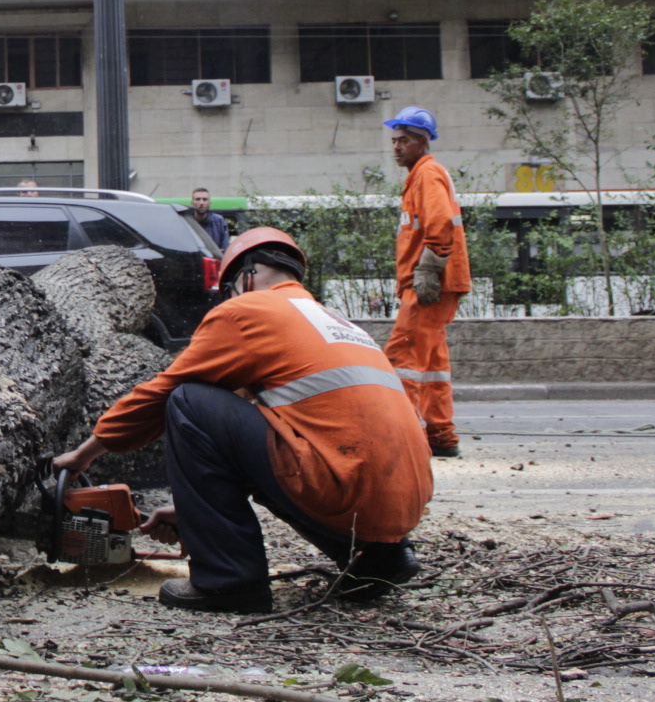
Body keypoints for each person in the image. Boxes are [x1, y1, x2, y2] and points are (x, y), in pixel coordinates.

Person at [52, 227, 432, 614]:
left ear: (246, 277)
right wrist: (194, 512)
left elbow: (164, 392)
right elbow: (270, 438)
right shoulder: (338, 323)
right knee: (284, 432)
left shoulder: (246, 310)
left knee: (189, 402)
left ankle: (228, 580)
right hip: (403, 502)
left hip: (342, 484)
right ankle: (382, 558)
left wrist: (87, 452)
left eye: (228, 289)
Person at [381, 107, 471, 459]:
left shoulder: (427, 174)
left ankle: (399, 437)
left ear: (422, 141)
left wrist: (427, 271)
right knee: (433, 364)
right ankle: (441, 435)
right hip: (434, 282)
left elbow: (440, 225)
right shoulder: (422, 174)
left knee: (402, 357)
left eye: (404, 140)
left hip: (429, 284)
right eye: (394, 140)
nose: (396, 147)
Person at [184, 187, 231, 252]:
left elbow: (225, 247)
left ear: (209, 203)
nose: (201, 203)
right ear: (192, 203)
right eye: (198, 199)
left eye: (205, 199)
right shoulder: (186, 221)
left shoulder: (219, 221)